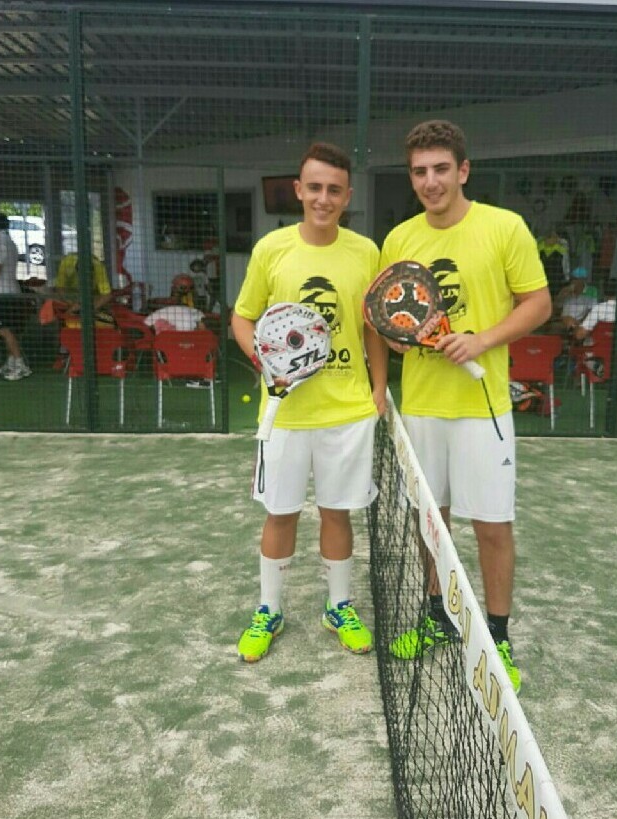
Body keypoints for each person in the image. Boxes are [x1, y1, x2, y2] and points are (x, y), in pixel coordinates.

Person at [379, 120, 551, 693]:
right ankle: (439, 618)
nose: (430, 182)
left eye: (441, 169)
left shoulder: (504, 227)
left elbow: (538, 303)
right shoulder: (399, 239)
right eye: (419, 172)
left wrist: (481, 340)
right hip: (422, 406)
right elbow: (390, 315)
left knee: (492, 525)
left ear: (463, 170)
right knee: (431, 521)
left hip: (483, 407)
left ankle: (498, 636)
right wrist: (400, 340)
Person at [230, 142, 387, 663]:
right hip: (286, 413)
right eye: (314, 187)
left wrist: (378, 389)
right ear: (298, 190)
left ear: (348, 196)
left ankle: (338, 607)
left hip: (347, 412)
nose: (323, 198)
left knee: (337, 513)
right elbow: (242, 317)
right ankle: (269, 611)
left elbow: (371, 328)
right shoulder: (271, 249)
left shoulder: (366, 252)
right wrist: (265, 359)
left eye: (334, 190)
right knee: (281, 514)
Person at [0, 213, 32, 381]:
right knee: (8, 330)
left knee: (3, 330)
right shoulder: (10, 242)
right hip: (12, 291)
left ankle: (21, 366)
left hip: (2, 294)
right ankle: (11, 362)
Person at [546, 266, 596, 335]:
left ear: (582, 281)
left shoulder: (590, 293)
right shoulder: (565, 292)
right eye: (572, 279)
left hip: (580, 322)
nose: (573, 282)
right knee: (556, 326)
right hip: (563, 321)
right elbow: (554, 310)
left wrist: (581, 322)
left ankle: (572, 328)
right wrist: (560, 297)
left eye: (575, 279)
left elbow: (592, 311)